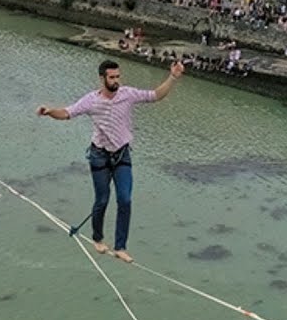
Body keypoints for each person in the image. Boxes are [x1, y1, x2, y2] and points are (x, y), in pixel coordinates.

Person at [37, 58, 184, 263]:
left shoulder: (128, 94)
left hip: (122, 154)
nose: (116, 81)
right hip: (99, 155)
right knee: (102, 199)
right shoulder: (91, 100)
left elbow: (156, 95)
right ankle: (98, 238)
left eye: (118, 76)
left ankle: (120, 246)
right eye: (112, 77)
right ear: (102, 78)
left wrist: (173, 77)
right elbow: (67, 113)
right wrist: (50, 111)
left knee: (125, 199)